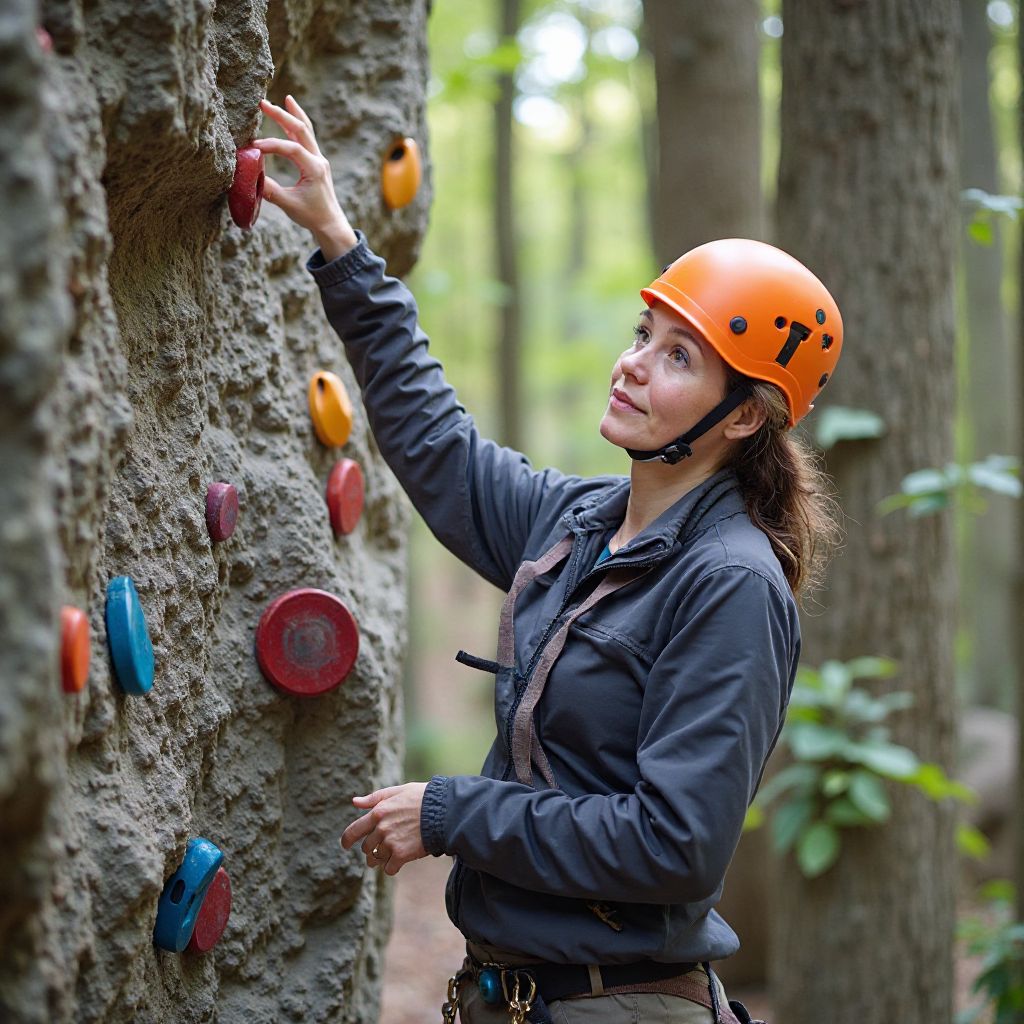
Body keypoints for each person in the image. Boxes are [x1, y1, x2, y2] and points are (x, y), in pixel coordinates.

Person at [254, 96, 843, 1024]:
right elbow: (440, 449)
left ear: (741, 417)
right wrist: (339, 243)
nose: (633, 364)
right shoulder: (577, 521)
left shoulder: (727, 583)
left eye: (679, 356)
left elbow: (674, 843)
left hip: (622, 1005)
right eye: (643, 334)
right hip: (517, 997)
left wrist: (452, 813)